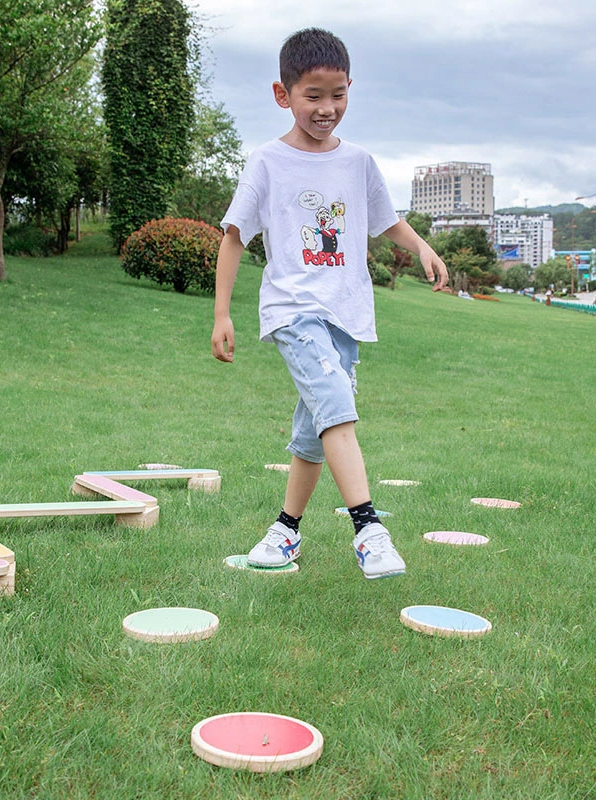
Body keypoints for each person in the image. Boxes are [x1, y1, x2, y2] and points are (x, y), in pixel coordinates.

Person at [211, 28, 448, 579]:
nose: (326, 108)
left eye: (337, 94)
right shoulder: (267, 163)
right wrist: (222, 313)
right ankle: (369, 529)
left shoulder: (359, 162)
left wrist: (422, 247)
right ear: (283, 94)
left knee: (315, 424)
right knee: (336, 402)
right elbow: (232, 236)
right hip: (293, 310)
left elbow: (385, 219)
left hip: (346, 312)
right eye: (312, 96)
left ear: (350, 90)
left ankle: (284, 532)